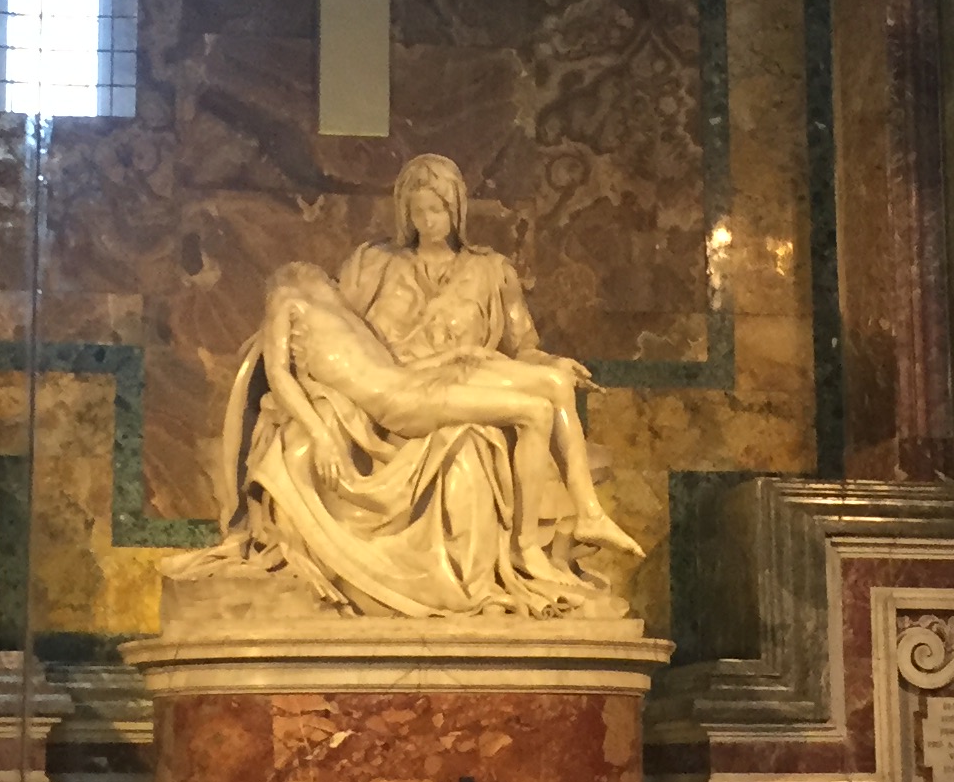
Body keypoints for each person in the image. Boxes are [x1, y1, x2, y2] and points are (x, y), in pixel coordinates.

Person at [173, 160, 642, 618]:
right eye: (418, 211)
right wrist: (310, 399)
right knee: (473, 444)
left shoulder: (493, 271)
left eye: (438, 210)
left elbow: (523, 348)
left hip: (457, 374)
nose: (427, 221)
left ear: (457, 210)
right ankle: (522, 548)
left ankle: (584, 517)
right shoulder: (370, 264)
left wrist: (551, 362)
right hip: (393, 398)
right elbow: (335, 334)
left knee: (550, 384)